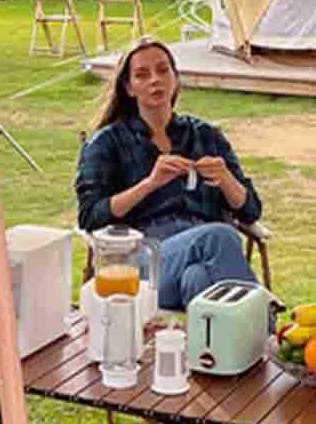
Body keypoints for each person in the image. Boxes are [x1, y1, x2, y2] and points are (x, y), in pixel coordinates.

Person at [76, 37, 263, 311]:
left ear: (175, 78)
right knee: (219, 237)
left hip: (202, 256)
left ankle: (213, 350)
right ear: (129, 87)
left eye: (163, 71)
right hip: (143, 262)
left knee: (197, 279)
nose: (155, 80)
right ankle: (265, 329)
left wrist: (225, 178)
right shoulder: (108, 142)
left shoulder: (205, 134)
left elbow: (251, 210)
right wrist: (149, 184)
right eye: (142, 74)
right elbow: (90, 216)